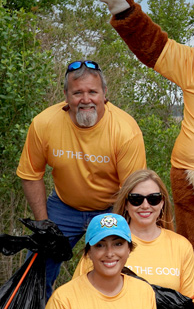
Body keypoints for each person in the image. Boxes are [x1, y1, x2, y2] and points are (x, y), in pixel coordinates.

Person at [17, 60, 146, 293]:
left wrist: (116, 229)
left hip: (111, 207)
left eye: (92, 92)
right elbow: (30, 174)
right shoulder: (44, 124)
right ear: (66, 95)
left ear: (105, 94)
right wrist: (44, 224)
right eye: (77, 92)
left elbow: (134, 191)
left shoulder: (125, 130)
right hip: (64, 206)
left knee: (114, 267)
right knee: (35, 268)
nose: (85, 99)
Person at [73, 169, 194, 300]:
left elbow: (190, 304)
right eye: (136, 199)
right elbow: (77, 293)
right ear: (126, 204)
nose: (145, 205)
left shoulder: (181, 246)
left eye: (153, 199)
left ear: (162, 203)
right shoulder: (104, 241)